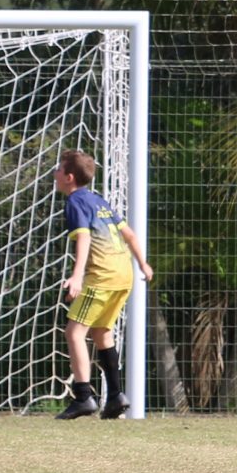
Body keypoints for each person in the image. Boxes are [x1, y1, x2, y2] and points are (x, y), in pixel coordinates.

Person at [55, 147, 152, 421]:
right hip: (124, 274)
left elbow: (84, 239)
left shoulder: (75, 203)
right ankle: (116, 396)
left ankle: (84, 397)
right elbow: (129, 234)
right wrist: (143, 264)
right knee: (102, 333)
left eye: (59, 169)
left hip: (103, 276)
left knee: (74, 332)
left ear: (69, 177)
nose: (55, 173)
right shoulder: (99, 201)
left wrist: (77, 276)